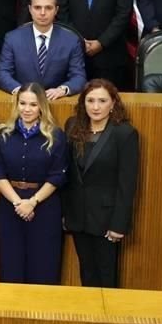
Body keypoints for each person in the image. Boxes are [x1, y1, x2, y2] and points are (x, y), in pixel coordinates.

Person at [63, 79, 139, 287]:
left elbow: (127, 183)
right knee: (86, 273)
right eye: (90, 100)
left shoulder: (124, 133)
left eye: (102, 101)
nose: (95, 107)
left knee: (106, 277)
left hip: (106, 219)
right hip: (78, 216)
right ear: (83, 103)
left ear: (113, 103)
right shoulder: (72, 126)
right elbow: (67, 174)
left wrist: (118, 224)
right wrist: (65, 213)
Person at [0, 83, 68, 284]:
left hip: (44, 206)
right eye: (22, 103)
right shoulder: (3, 134)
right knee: (10, 265)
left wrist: (32, 202)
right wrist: (18, 203)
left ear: (42, 106)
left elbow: (57, 175)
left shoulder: (56, 136)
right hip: (10, 205)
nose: (26, 109)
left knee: (43, 266)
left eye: (33, 104)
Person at [0, 0, 86, 100]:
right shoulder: (13, 38)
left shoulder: (71, 40)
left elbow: (79, 76)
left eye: (48, 8)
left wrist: (62, 90)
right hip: (23, 103)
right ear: (30, 9)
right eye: (37, 8)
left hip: (56, 101)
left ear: (56, 10)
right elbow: (2, 72)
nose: (42, 13)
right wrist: (21, 91)